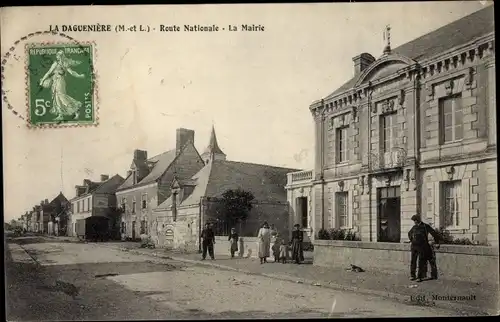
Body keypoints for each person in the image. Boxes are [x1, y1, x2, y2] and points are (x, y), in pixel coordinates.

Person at [39, 50, 85, 121]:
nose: (57, 56)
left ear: (61, 56)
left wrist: (79, 76)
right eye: (57, 55)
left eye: (58, 55)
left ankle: (76, 110)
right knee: (56, 97)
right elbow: (49, 72)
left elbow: (71, 72)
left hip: (60, 81)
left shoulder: (64, 63)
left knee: (62, 96)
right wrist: (42, 80)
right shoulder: (55, 63)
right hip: (55, 81)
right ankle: (60, 115)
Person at [408, 214, 440, 282]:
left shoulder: (425, 226)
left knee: (421, 262)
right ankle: (412, 275)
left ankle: (419, 277)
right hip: (414, 246)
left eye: (415, 220)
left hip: (422, 246)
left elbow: (434, 233)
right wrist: (412, 240)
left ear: (418, 220)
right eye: (414, 221)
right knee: (413, 261)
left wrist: (437, 242)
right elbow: (409, 233)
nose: (415, 222)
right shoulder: (414, 227)